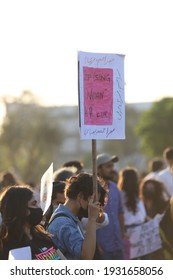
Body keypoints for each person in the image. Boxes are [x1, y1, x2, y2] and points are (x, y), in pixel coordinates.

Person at [47, 173, 102, 260]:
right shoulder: (63, 223)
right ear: (80, 196)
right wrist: (92, 219)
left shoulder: (70, 217)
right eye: (92, 201)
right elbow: (86, 256)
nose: (94, 206)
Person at [0, 185, 63, 260]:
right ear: (21, 210)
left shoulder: (42, 237)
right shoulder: (8, 246)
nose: (39, 207)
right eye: (33, 204)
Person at [96, 153, 125, 260]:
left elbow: (120, 212)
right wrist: (96, 246)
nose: (112, 169)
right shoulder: (93, 191)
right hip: (103, 249)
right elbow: (87, 221)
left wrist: (122, 233)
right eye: (108, 166)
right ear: (98, 169)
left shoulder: (115, 188)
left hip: (118, 246)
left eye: (112, 166)